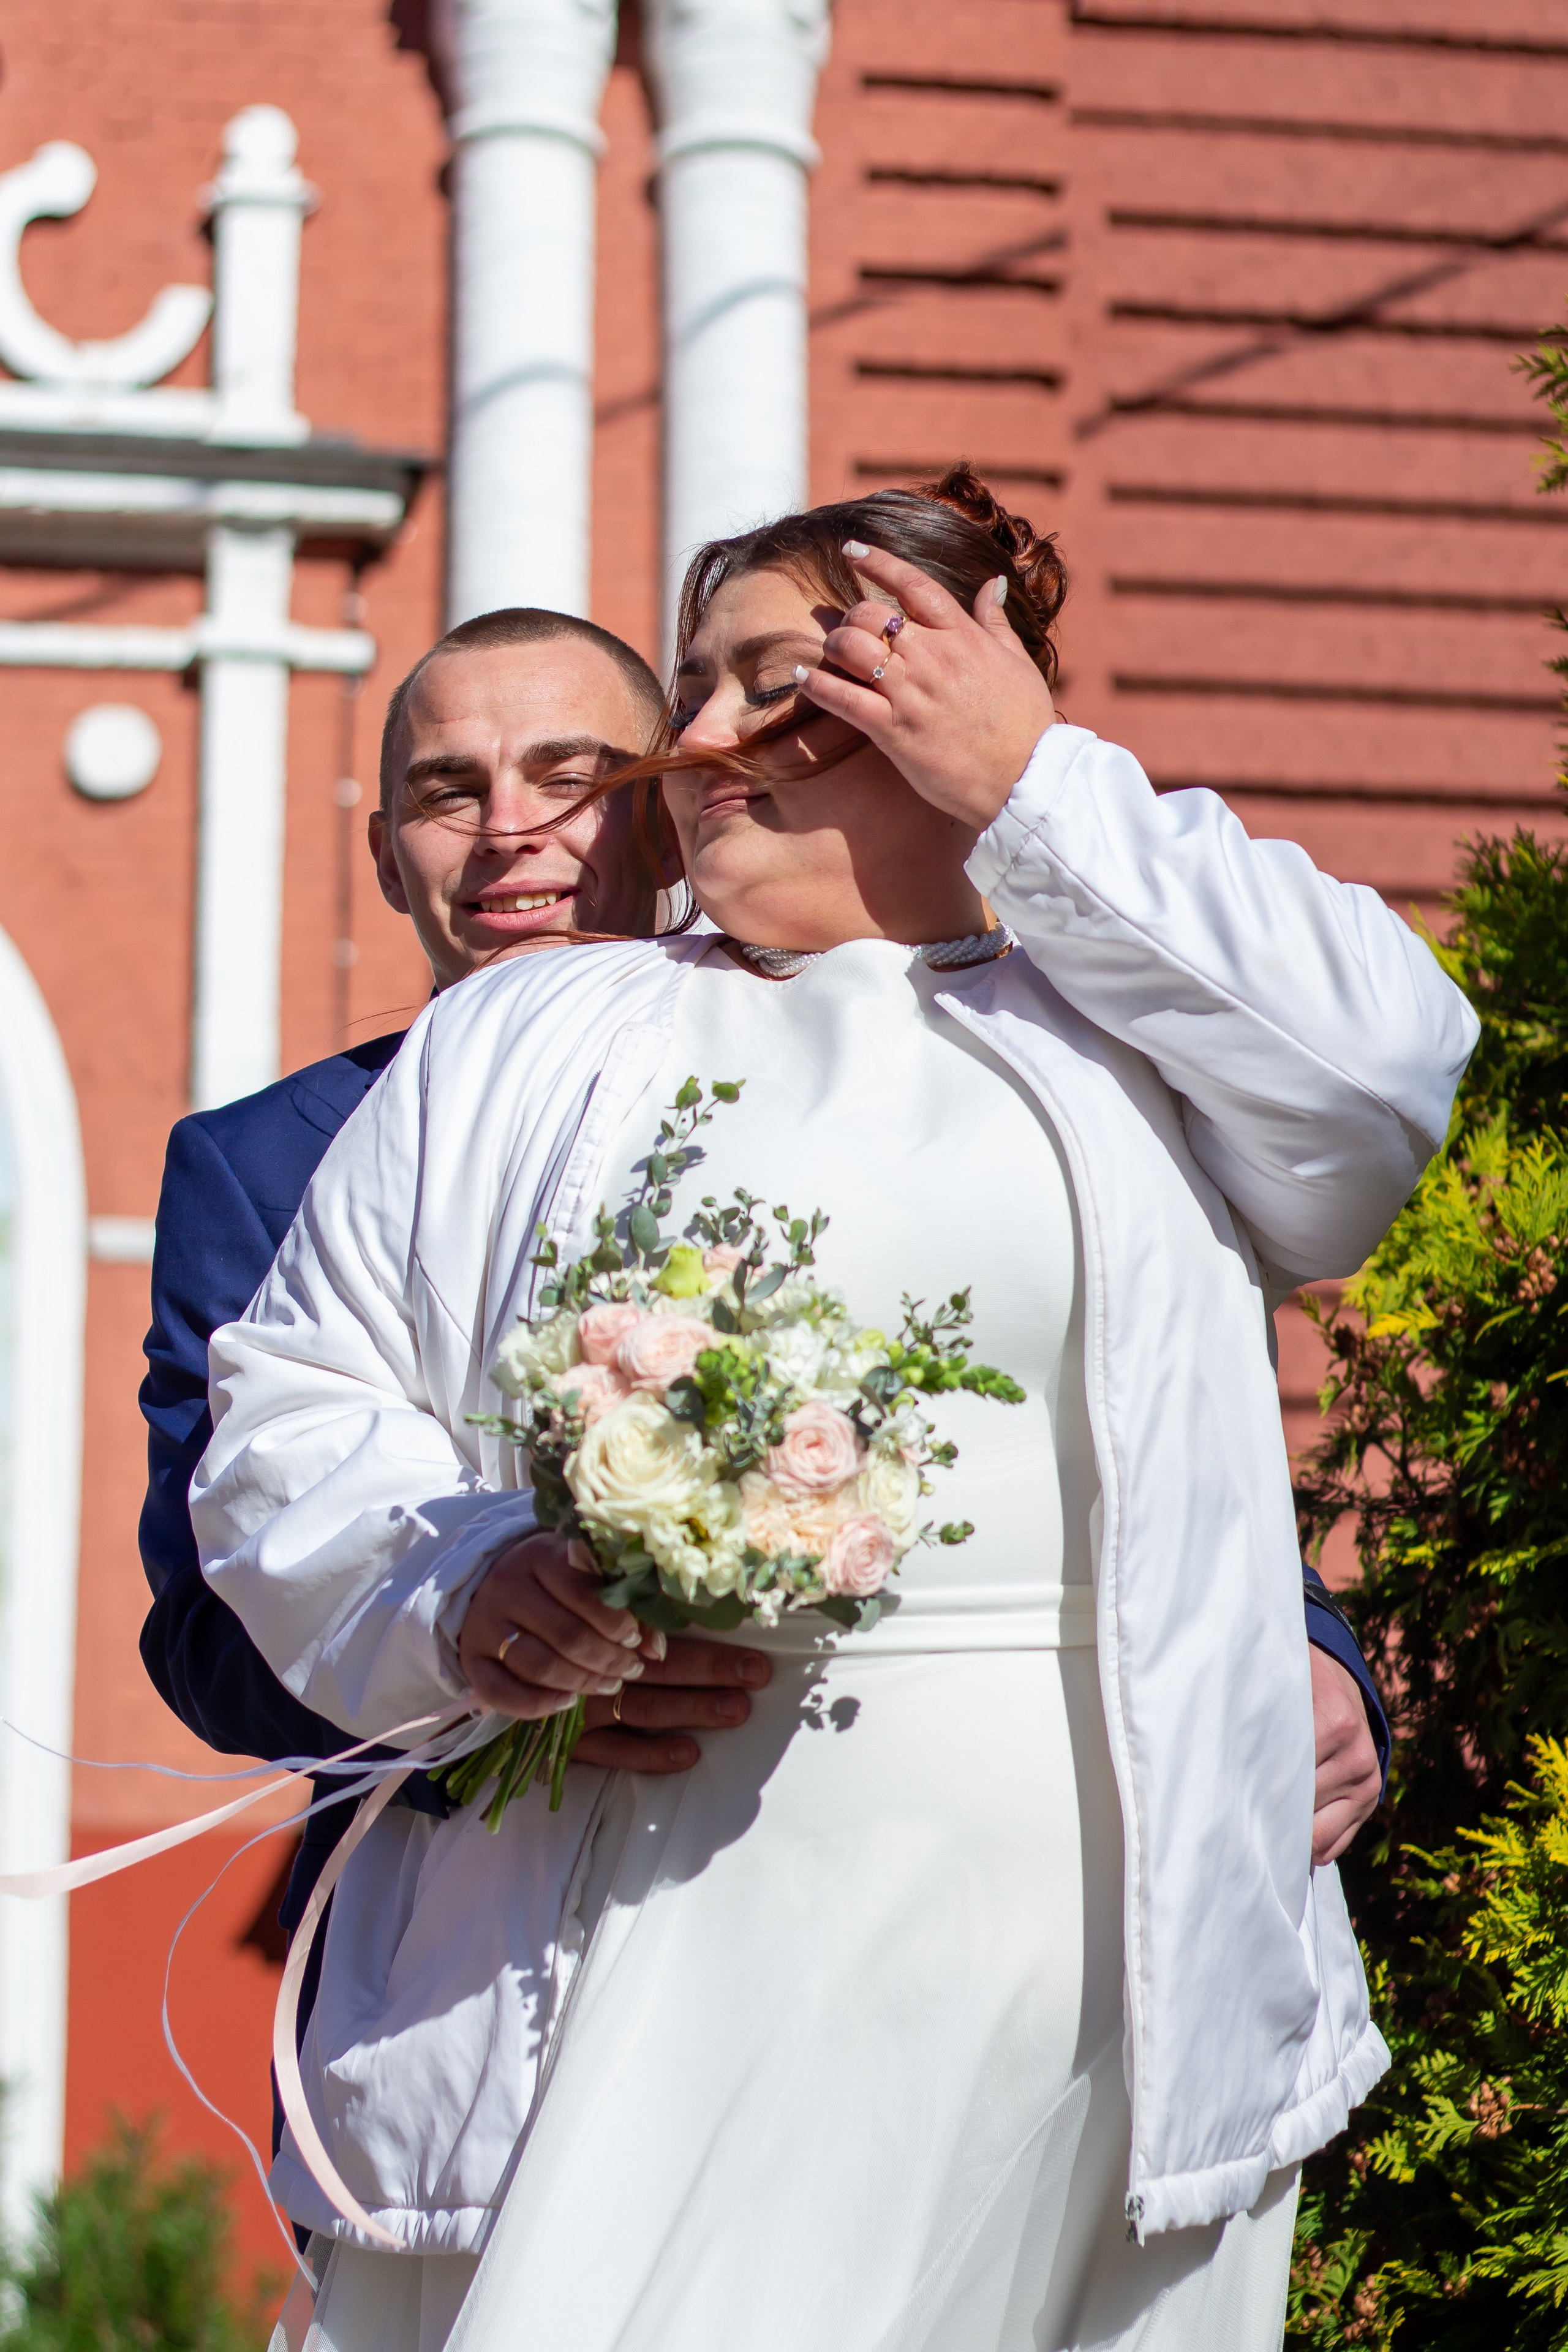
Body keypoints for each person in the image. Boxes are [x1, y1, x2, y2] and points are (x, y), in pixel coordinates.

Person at [192, 472, 1463, 2351]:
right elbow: (297, 1411)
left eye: (771, 686)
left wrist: (1038, 786)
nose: (695, 745)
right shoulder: (539, 1033)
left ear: (944, 693)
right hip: (671, 1921)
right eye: (693, 688)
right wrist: (471, 1592)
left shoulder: (1131, 1027)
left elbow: (1382, 1074)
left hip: (1082, 1964)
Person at [139, 607, 774, 2030]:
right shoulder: (259, 1165)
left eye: (569, 779)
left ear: (664, 822)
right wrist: (480, 1689)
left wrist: (1295, 1634)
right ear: (385, 855)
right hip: (435, 1969)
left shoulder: (821, 1073)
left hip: (785, 1904)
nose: (507, 833)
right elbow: (202, 1621)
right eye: (447, 792)